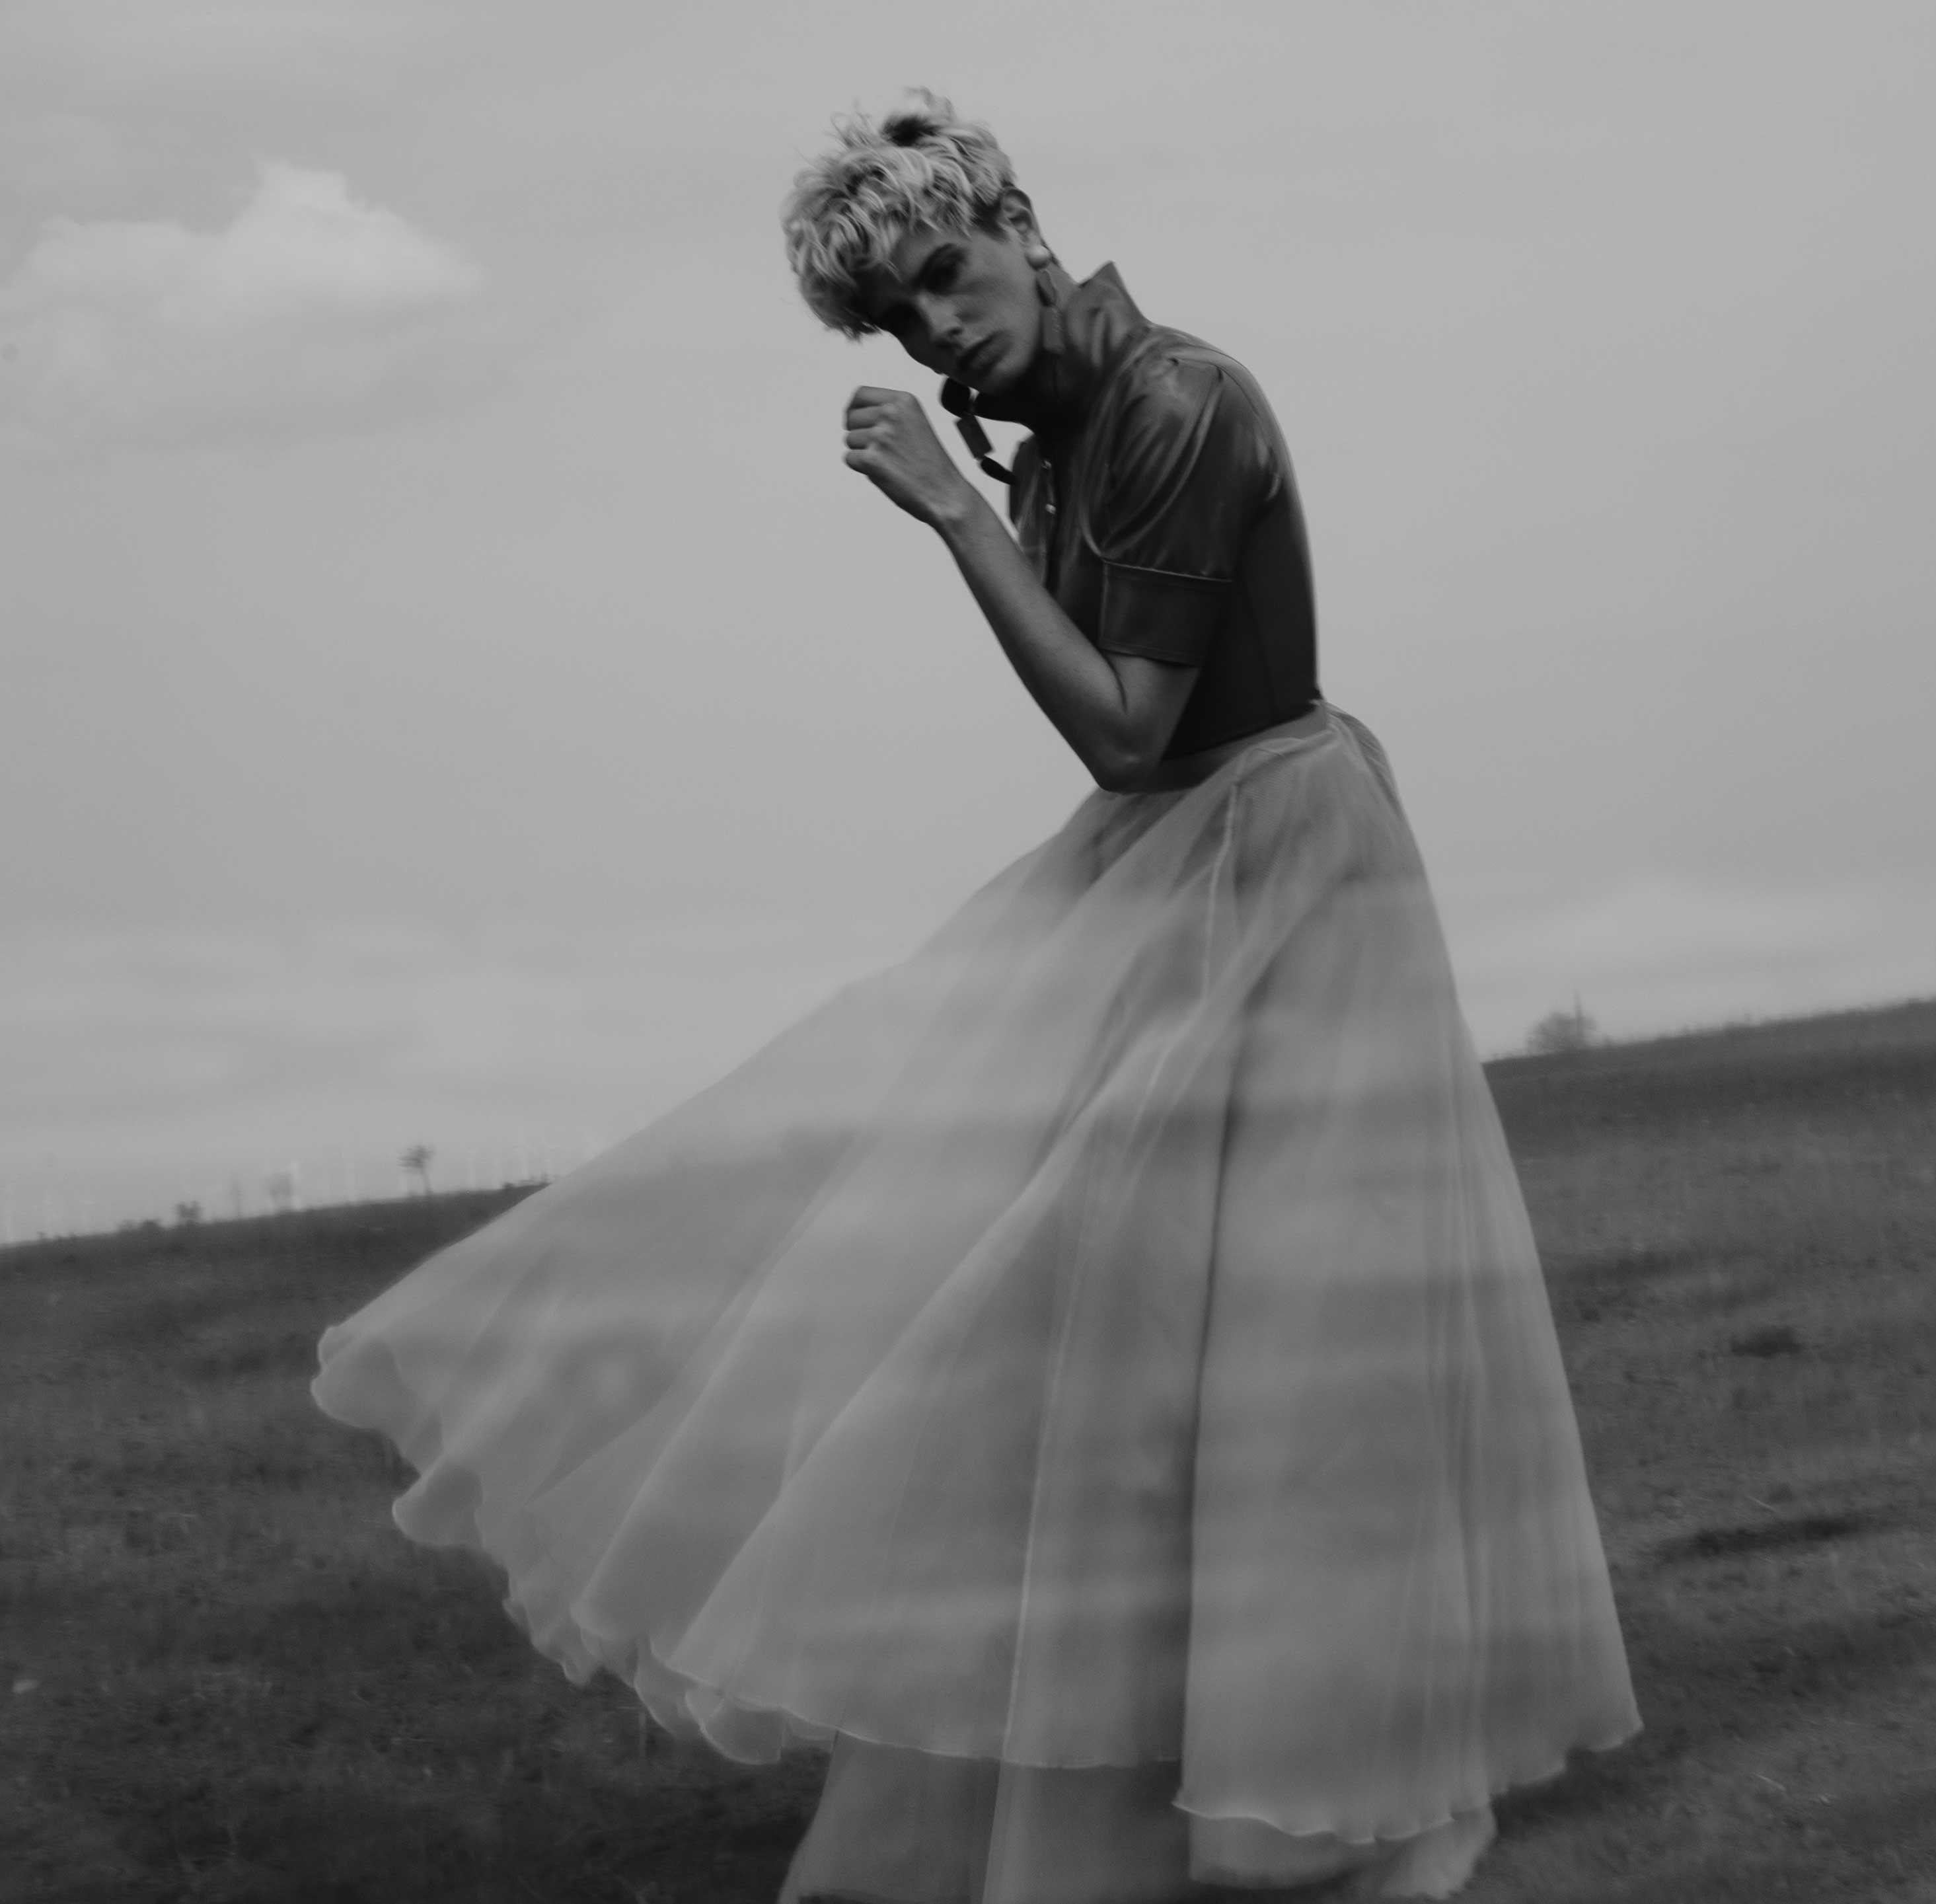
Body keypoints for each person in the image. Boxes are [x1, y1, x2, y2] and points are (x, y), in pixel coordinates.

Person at [309, 91, 1639, 1904]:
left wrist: (950, 515)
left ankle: (1317, 1797)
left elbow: (1126, 727)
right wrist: (985, 484)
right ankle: (1143, 1775)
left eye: (944, 272)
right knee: (1047, 1312)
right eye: (897, 314)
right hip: (1180, 870)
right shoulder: (1055, 423)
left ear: (1016, 221)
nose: (937, 327)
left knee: (1284, 1362)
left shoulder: (1173, 399)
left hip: (1281, 871)